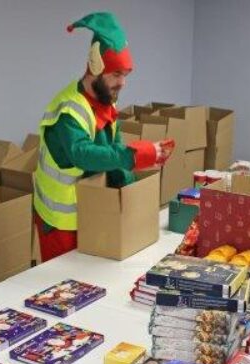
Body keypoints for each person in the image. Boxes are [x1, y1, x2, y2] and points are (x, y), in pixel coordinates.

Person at [33, 12, 174, 262]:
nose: (122, 83)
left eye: (125, 75)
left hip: (91, 210)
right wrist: (134, 155)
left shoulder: (104, 101)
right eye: (116, 75)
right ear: (95, 69)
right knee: (62, 292)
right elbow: (84, 155)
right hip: (60, 223)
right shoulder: (69, 110)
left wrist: (130, 194)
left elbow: (112, 150)